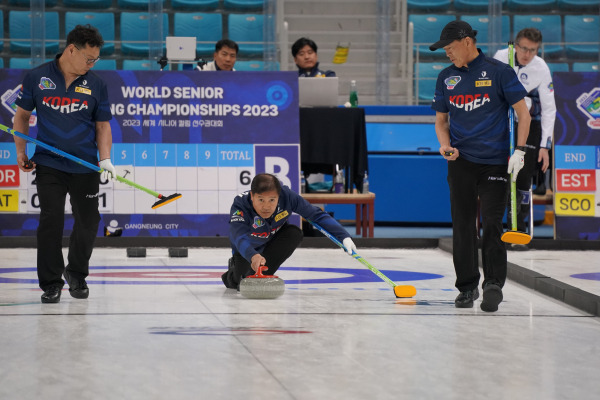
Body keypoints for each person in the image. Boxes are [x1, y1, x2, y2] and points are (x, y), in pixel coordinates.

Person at [429, 20, 531, 312]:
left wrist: (520, 151)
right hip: (460, 162)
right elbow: (441, 121)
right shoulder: (446, 77)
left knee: (492, 223)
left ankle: (493, 284)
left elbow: (523, 115)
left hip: (496, 163)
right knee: (462, 226)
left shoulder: (500, 72)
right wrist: (444, 145)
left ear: (467, 41)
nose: (447, 53)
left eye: (449, 48)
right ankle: (467, 287)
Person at [13, 24, 116, 304]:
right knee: (51, 220)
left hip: (85, 164)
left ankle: (77, 273)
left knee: (88, 221)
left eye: (96, 59)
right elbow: (21, 116)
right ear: (72, 50)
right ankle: (50, 282)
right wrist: (21, 151)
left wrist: (105, 159)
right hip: (49, 163)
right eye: (89, 58)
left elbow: (103, 126)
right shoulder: (37, 77)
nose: (92, 64)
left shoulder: (96, 84)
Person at [222, 173, 357, 289]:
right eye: (261, 200)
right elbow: (238, 236)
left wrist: (343, 236)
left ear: (279, 196)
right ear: (252, 196)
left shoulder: (288, 196)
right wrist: (252, 255)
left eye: (272, 200)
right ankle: (233, 272)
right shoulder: (240, 204)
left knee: (294, 233)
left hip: (272, 243)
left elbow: (316, 215)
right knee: (239, 284)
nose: (266, 206)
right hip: (247, 249)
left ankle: (259, 274)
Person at [493, 28, 556, 233]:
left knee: (522, 176)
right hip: (502, 121)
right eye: (524, 49)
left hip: (529, 124)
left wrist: (545, 146)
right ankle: (494, 230)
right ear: (516, 45)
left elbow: (548, 109)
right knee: (496, 175)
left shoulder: (541, 68)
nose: (527, 55)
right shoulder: (501, 57)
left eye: (533, 50)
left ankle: (518, 229)